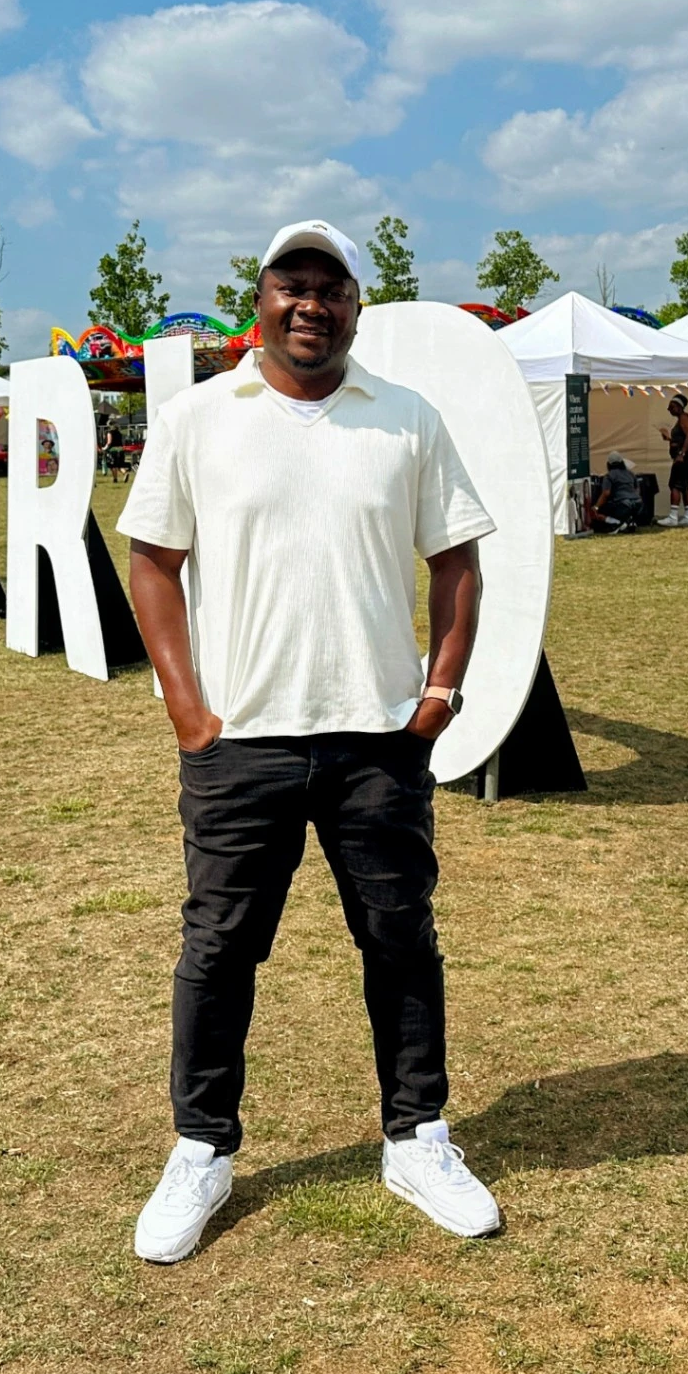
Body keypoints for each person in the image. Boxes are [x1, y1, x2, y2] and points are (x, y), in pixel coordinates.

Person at [119, 217, 501, 1265]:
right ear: (261, 299)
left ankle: (416, 1135)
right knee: (219, 948)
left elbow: (457, 561)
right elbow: (153, 560)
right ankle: (201, 1147)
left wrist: (440, 686)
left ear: (354, 308)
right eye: (292, 283)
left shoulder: (408, 419)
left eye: (330, 287)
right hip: (240, 742)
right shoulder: (202, 418)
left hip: (377, 738)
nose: (310, 303)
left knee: (399, 939)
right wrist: (185, 707)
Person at [658, 394, 688, 527]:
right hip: (686, 455)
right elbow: (682, 438)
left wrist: (681, 453)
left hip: (685, 456)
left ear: (680, 407)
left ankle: (673, 517)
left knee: (675, 485)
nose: (669, 409)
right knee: (685, 485)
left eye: (672, 406)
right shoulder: (681, 419)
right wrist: (670, 440)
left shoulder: (685, 418)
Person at [588, 451, 643, 533]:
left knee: (603, 509)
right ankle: (628, 522)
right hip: (638, 504)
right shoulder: (631, 473)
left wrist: (596, 507)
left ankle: (616, 523)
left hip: (623, 505)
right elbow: (637, 489)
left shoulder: (609, 476)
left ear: (608, 464)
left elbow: (606, 493)